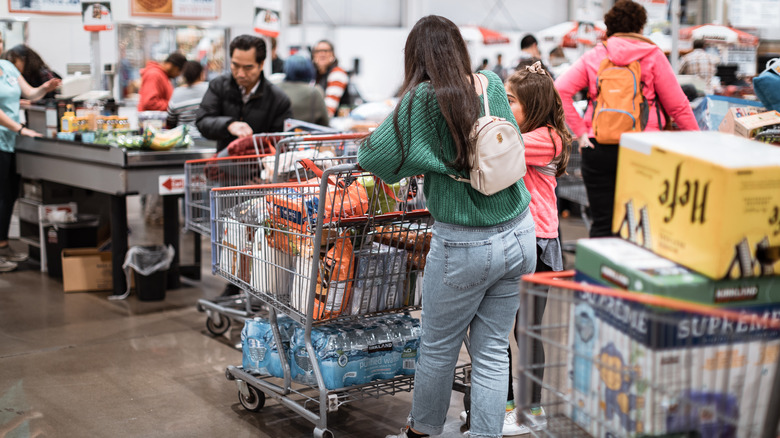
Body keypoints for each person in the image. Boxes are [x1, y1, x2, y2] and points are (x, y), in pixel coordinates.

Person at [358, 15, 537, 438]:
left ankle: (422, 433)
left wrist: (427, 160)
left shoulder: (421, 99)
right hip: (519, 231)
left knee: (438, 349)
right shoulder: (490, 83)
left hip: (464, 247)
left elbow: (374, 157)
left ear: (415, 57)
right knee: (493, 350)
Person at [554, 0, 698, 238]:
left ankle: (598, 273)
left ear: (609, 27)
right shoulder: (652, 55)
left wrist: (581, 131)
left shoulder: (596, 55)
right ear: (640, 26)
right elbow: (679, 106)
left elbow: (561, 90)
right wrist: (698, 144)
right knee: (643, 223)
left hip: (598, 146)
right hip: (644, 149)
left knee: (603, 222)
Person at [503, 61, 572, 434]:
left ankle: (532, 412)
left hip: (539, 244)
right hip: (521, 237)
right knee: (509, 326)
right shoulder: (532, 132)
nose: (504, 107)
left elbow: (494, 146)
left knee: (527, 329)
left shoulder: (544, 138)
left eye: (510, 100)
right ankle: (513, 403)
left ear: (534, 105)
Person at [0, 57, 60, 272]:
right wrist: (19, 129)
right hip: (6, 136)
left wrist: (44, 87)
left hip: (9, 142)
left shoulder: (7, 68)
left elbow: (30, 93)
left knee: (8, 195)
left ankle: (3, 245)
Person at [196, 34, 292, 153]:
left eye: (248, 68)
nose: (240, 73)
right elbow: (203, 121)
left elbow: (281, 141)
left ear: (261, 65)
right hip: (224, 165)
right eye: (235, 65)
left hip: (261, 167)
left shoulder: (277, 99)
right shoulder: (219, 86)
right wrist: (228, 125)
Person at [278, 54, 329, 126]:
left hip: (280, 135)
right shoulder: (314, 92)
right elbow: (325, 122)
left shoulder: (276, 89)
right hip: (307, 135)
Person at [167, 60, 209, 138]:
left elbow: (171, 118)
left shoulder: (177, 93)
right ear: (201, 74)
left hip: (183, 139)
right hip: (206, 138)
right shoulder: (209, 88)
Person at [312, 40, 350, 117]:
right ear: (313, 55)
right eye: (318, 51)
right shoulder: (316, 74)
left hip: (337, 122)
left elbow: (329, 110)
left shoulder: (338, 73)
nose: (322, 54)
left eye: (326, 51)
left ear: (333, 54)